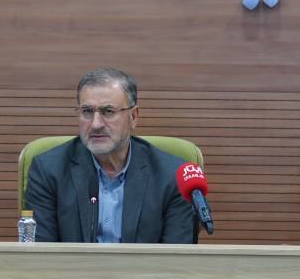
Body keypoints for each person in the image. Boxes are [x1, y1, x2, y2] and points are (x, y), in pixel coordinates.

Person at [24, 68, 195, 243]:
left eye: (108, 111)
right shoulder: (48, 170)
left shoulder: (172, 176)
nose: (96, 124)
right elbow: (40, 253)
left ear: (133, 117)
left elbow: (176, 255)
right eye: (87, 111)